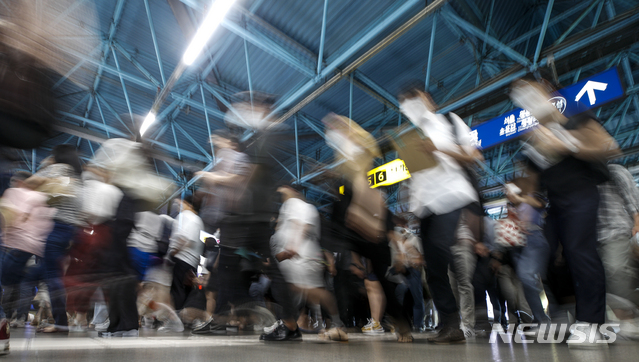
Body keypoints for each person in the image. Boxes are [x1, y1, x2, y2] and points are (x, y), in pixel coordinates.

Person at [510, 77, 620, 348]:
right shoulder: (535, 135)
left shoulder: (574, 115)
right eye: (520, 98)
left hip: (581, 194)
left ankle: (593, 323)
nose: (526, 100)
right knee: (549, 259)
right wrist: (516, 191)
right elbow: (531, 183)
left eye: (530, 92)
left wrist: (566, 144)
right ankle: (565, 316)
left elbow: (608, 146)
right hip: (555, 204)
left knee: (581, 252)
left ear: (547, 90)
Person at [398, 85, 481, 344]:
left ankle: (461, 321)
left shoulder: (450, 122)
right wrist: (411, 202)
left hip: (452, 198)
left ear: (426, 98)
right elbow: (417, 177)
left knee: (438, 252)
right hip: (426, 207)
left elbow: (473, 155)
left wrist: (438, 148)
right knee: (433, 269)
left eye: (413, 98)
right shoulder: (410, 135)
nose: (409, 105)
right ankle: (450, 324)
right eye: (404, 103)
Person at [271, 185, 347, 341]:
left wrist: (293, 246)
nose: (281, 193)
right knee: (300, 292)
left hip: (303, 256)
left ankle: (337, 323)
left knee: (312, 292)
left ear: (294, 191)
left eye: (284, 190)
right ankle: (291, 323)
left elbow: (302, 225)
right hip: (297, 257)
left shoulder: (299, 205)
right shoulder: (289, 207)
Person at [25, 145, 84, 333]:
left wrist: (45, 165)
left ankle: (59, 323)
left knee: (51, 276)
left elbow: (31, 182)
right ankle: (59, 320)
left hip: (57, 228)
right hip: (71, 231)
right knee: (53, 275)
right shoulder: (77, 178)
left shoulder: (58, 169)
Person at [0, 171, 54, 327]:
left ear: (19, 182)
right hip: (36, 250)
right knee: (25, 285)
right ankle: (21, 317)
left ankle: (5, 317)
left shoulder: (15, 193)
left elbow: (10, 217)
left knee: (7, 284)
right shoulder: (44, 199)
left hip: (14, 245)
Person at [597, 164, 639, 338]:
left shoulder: (613, 170)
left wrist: (637, 223)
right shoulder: (579, 178)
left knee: (616, 270)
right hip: (593, 239)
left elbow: (631, 198)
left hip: (618, 231)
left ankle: (628, 320)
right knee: (611, 281)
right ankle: (627, 320)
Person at [504, 173, 551, 327]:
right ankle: (540, 319)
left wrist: (521, 199)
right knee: (527, 282)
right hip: (518, 244)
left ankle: (546, 319)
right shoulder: (512, 207)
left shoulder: (531, 197)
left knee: (528, 278)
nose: (507, 193)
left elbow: (540, 204)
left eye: (510, 188)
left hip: (534, 238)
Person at [168, 196, 204, 311]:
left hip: (181, 258)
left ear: (189, 205)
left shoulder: (186, 216)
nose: (179, 207)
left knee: (176, 290)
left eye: (180, 204)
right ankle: (184, 318)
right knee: (186, 290)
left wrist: (172, 253)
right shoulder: (199, 220)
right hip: (192, 262)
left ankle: (177, 320)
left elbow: (184, 237)